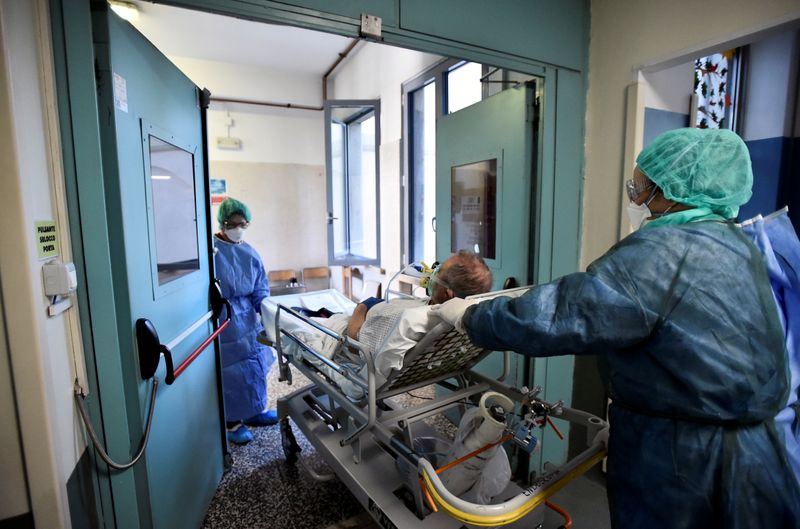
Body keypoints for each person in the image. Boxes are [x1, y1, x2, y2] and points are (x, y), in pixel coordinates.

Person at [432, 128, 800, 528]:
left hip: (687, 468)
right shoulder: (750, 246)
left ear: (671, 192)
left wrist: (467, 316)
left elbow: (553, 316)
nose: (636, 199)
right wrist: (633, 425)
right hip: (767, 455)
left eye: (639, 187)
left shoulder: (661, 256)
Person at [214, 198, 277, 445]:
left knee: (254, 367)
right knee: (231, 373)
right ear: (223, 223)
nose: (238, 228)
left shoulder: (250, 252)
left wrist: (269, 313)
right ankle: (231, 423)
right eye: (234, 223)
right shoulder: (212, 252)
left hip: (249, 321)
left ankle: (254, 411)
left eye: (244, 224)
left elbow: (260, 288)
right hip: (225, 320)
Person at [346, 249, 493, 342]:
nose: (432, 273)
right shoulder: (467, 323)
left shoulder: (411, 321)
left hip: (351, 323)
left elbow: (355, 343)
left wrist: (361, 308)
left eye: (438, 271)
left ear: (447, 293)